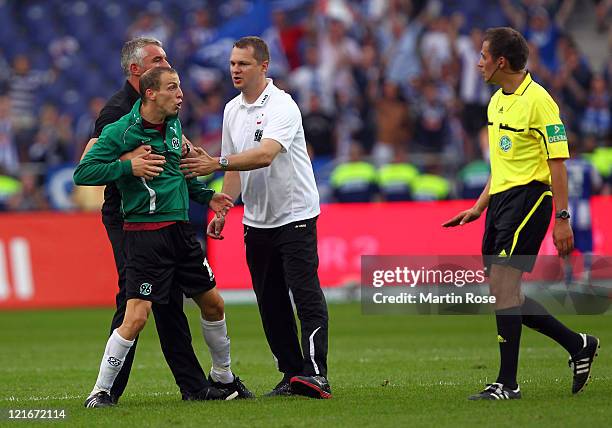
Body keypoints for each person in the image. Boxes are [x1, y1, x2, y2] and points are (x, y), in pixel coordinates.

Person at [79, 38, 252, 406]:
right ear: (146, 86)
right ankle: (104, 390)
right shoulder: (118, 120)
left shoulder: (171, 121)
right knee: (135, 311)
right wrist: (128, 166)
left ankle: (210, 381)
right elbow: (85, 168)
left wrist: (207, 195)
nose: (180, 92)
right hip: (136, 225)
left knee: (195, 304)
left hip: (178, 229)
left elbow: (176, 169)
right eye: (170, 82)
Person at [443, 27, 599, 400]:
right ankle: (578, 344)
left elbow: (557, 162)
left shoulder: (540, 101)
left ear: (500, 61)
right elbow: (502, 163)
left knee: (503, 287)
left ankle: (507, 383)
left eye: (483, 56)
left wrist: (562, 219)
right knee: (503, 291)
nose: (478, 62)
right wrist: (480, 205)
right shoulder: (496, 101)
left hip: (531, 200)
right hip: (500, 202)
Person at [179, 36, 331, 399]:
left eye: (243, 64)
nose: (235, 69)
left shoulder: (282, 106)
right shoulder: (232, 109)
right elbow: (235, 168)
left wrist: (215, 162)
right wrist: (224, 205)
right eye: (232, 64)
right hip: (257, 221)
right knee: (271, 302)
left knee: (305, 295)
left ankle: (316, 373)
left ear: (264, 66)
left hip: (294, 216)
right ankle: (292, 374)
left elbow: (264, 155)